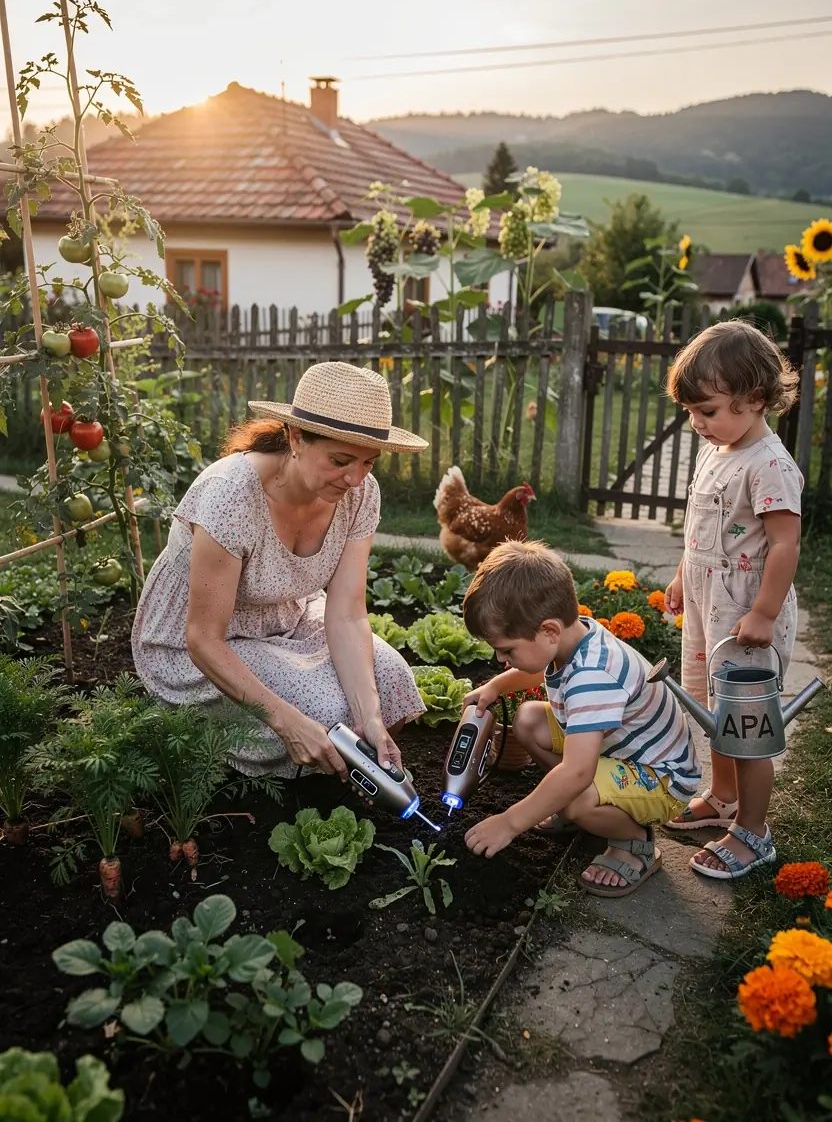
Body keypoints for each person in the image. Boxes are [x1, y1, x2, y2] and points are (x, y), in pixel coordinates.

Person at [132, 361, 428, 780]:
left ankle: (345, 774)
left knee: (392, 680)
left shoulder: (360, 496)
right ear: (296, 438)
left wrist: (372, 720)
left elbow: (346, 614)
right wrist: (287, 722)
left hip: (287, 618)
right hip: (202, 642)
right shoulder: (231, 495)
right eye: (342, 460)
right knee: (325, 714)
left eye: (369, 463)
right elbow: (202, 639)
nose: (356, 479)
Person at [459, 541, 701, 897]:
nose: (500, 658)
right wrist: (497, 686)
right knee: (528, 720)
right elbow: (536, 668)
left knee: (575, 793)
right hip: (620, 752)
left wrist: (510, 823)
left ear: (550, 631)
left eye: (507, 649)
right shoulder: (574, 637)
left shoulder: (593, 677)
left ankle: (634, 842)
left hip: (662, 779)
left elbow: (576, 773)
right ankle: (587, 804)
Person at [663, 319, 802, 879]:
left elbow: (785, 542)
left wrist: (764, 612)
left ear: (757, 399)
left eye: (709, 411)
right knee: (713, 710)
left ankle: (753, 830)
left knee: (747, 728)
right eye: (692, 412)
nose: (698, 424)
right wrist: (680, 576)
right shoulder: (718, 449)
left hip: (745, 613)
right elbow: (703, 527)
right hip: (707, 607)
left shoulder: (770, 464)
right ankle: (721, 798)